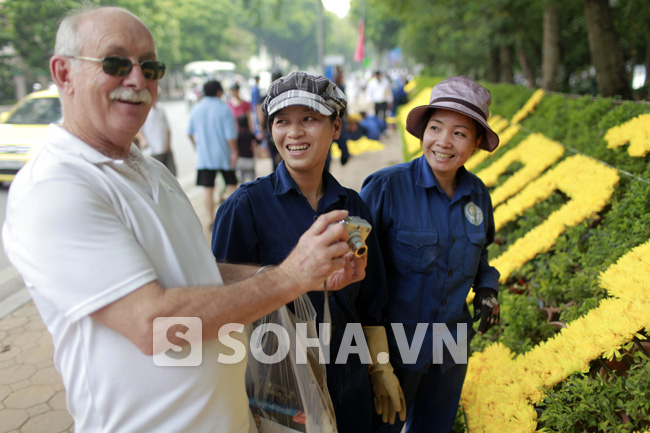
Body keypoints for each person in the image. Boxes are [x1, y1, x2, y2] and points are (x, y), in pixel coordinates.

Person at [2, 7, 366, 433]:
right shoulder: (56, 188)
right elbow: (155, 325)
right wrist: (290, 278)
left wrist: (293, 274)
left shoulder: (149, 169)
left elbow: (196, 273)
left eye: (150, 66)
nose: (137, 80)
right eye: (116, 63)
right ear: (64, 74)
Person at [212, 71, 406, 433]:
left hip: (350, 383)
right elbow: (220, 301)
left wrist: (380, 367)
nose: (294, 132)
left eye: (309, 119)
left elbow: (371, 300)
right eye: (281, 121)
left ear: (336, 127)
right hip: (279, 394)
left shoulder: (354, 207)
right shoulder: (245, 208)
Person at [360, 76, 502, 433]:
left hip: (451, 345)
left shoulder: (478, 194)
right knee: (382, 427)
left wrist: (487, 286)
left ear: (475, 144)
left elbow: (479, 250)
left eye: (459, 133)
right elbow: (359, 270)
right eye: (436, 127)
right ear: (423, 133)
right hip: (396, 345)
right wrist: (373, 359)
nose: (443, 141)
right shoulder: (386, 187)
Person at [188, 80, 238, 224]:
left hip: (205, 157)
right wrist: (234, 152)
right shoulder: (224, 109)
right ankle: (233, 219)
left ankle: (211, 220)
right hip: (224, 155)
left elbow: (189, 133)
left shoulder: (196, 108)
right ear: (219, 92)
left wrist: (196, 146)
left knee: (208, 189)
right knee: (231, 186)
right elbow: (230, 135)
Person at [138, 91, 176, 175]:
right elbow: (139, 130)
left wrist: (169, 144)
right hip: (152, 149)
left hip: (164, 147)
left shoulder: (161, 108)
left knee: (169, 174)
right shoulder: (144, 109)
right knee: (155, 175)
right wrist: (143, 141)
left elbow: (167, 128)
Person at [235, 114, 259, 183]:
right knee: (252, 178)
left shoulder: (237, 135)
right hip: (249, 158)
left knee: (241, 180)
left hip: (240, 158)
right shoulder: (250, 134)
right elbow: (258, 142)